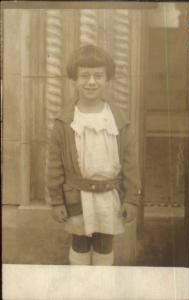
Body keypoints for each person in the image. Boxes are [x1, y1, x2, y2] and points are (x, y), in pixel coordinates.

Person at [48, 44, 141, 266]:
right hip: (76, 197)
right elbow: (54, 166)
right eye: (85, 76)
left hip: (109, 196)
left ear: (107, 79)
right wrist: (56, 201)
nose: (91, 82)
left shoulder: (118, 121)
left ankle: (101, 289)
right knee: (80, 244)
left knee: (104, 245)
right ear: (74, 80)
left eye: (98, 75)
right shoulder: (64, 122)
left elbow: (131, 164)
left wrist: (131, 199)